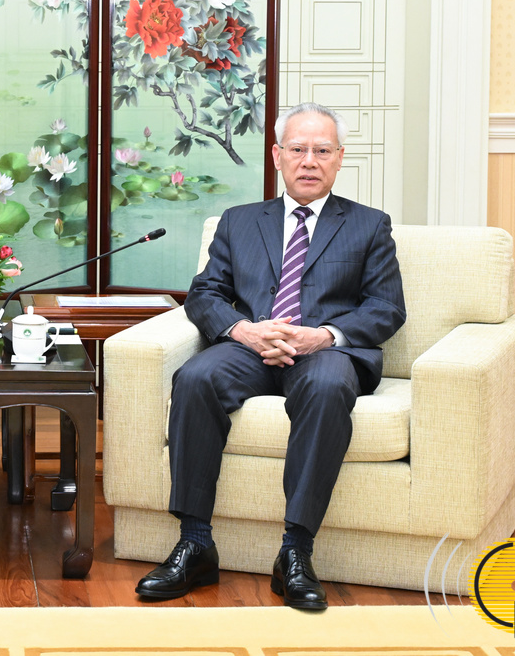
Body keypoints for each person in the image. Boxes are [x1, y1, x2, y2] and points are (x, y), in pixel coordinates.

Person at [133, 102, 406, 611]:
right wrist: (243, 330)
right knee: (195, 377)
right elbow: (205, 293)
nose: (309, 161)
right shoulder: (238, 222)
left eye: (322, 150)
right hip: (250, 346)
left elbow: (386, 307)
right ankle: (195, 543)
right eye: (298, 149)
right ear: (278, 156)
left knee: (327, 386)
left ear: (339, 157)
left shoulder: (369, 225)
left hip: (322, 352)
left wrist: (322, 336)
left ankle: (295, 552)